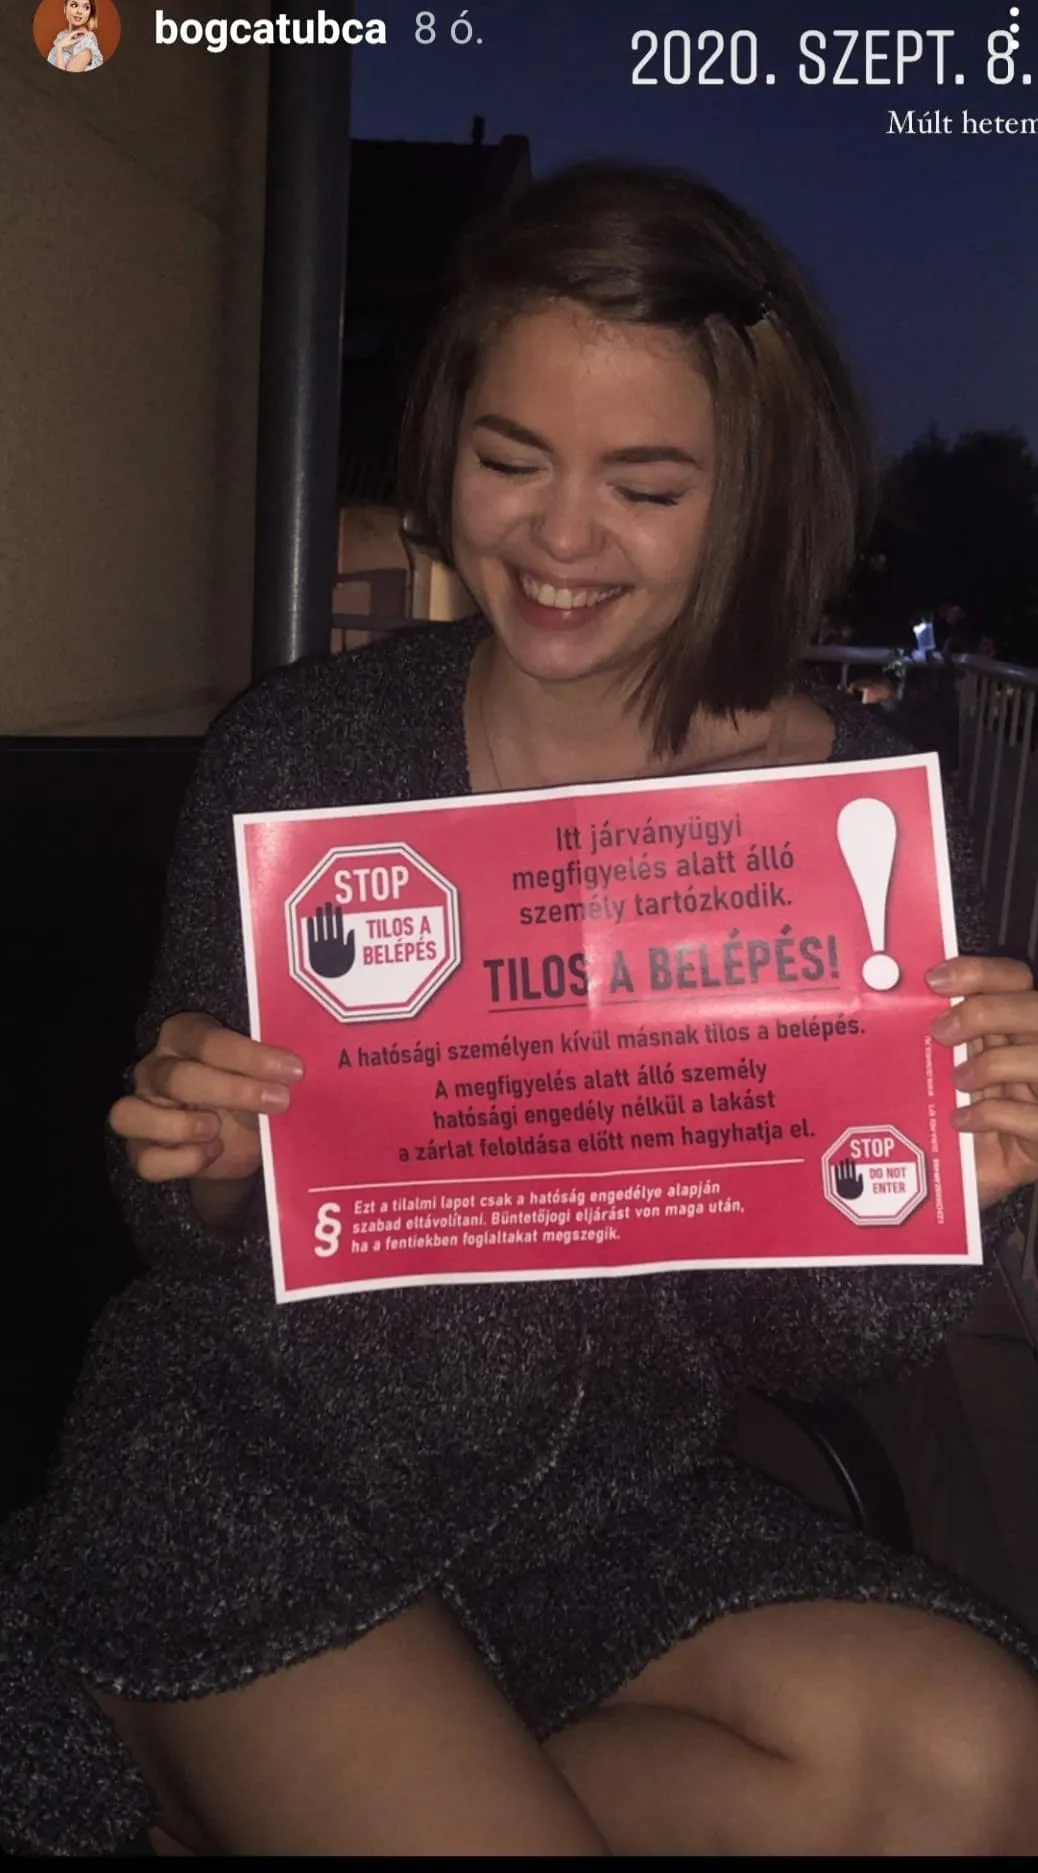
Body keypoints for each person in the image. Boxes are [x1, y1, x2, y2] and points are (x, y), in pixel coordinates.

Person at [2, 163, 1038, 1859]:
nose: (559, 538)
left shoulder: (839, 824)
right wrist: (203, 1162)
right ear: (444, 450)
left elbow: (816, 1347)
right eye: (509, 460)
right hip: (264, 1478)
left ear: (748, 492)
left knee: (973, 1754)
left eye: (644, 485)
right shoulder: (307, 752)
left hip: (593, 1513)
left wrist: (947, 1177)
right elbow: (176, 1224)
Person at [46, 0, 103, 71]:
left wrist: (59, 47)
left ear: (90, 13)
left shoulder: (87, 42)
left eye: (86, 7)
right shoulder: (61, 36)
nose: (79, 11)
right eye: (74, 5)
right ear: (65, 8)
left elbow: (63, 77)